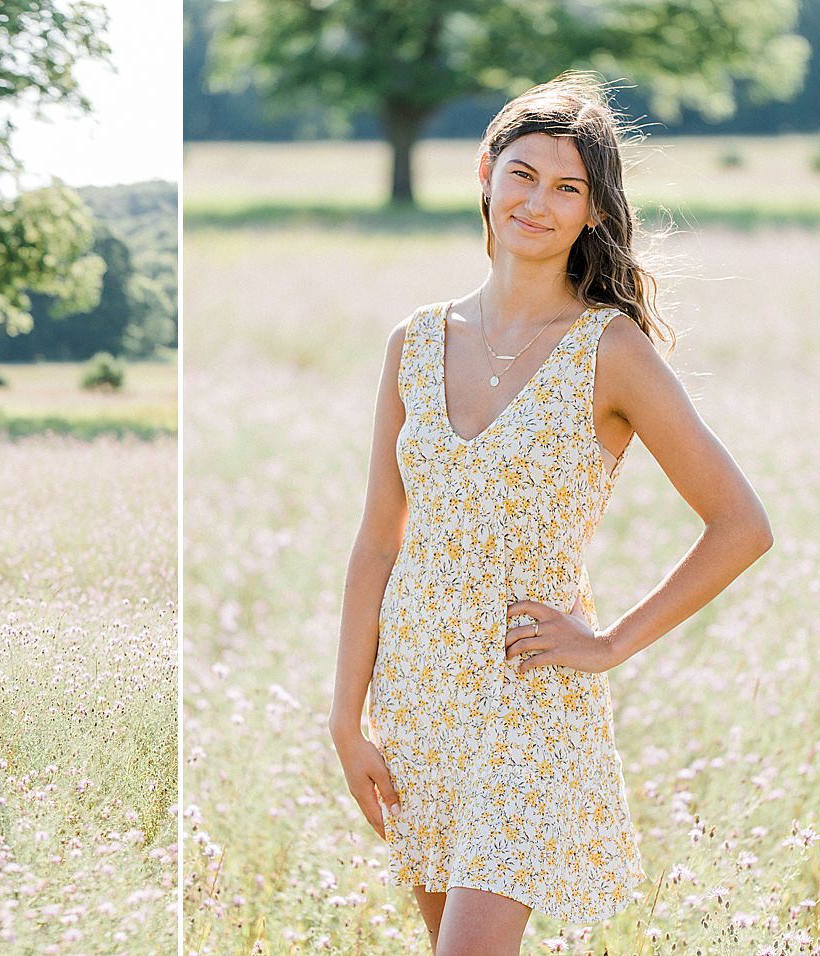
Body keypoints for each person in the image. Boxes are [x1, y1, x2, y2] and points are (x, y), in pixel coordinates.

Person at [328, 72, 773, 954]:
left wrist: (607, 646)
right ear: (486, 171)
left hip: (531, 699)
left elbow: (742, 525)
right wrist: (347, 718)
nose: (538, 202)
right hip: (417, 695)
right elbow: (379, 541)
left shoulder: (612, 351)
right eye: (523, 174)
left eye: (569, 188)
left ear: (595, 214)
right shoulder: (414, 343)